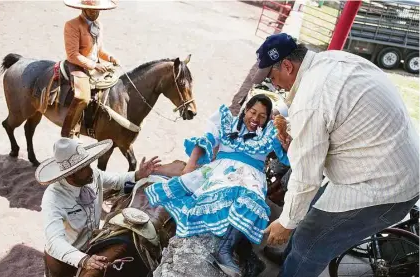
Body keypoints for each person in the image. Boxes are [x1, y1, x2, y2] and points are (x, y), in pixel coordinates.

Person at [256, 33, 419, 277]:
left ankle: (296, 262)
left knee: (310, 241)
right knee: (309, 207)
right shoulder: (330, 60)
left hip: (383, 187)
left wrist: (286, 223)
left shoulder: (311, 99)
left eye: (273, 77)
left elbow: (306, 177)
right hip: (385, 162)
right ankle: (290, 256)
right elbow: (331, 117)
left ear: (288, 66)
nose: (275, 85)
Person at [145, 94, 290, 277]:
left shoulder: (270, 132)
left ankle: (225, 248)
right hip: (221, 172)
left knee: (251, 200)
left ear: (267, 118)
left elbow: (285, 154)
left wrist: (286, 142)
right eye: (253, 112)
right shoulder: (226, 122)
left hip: (251, 178)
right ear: (246, 109)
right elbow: (205, 141)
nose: (256, 119)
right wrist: (189, 167)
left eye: (262, 116)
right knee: (223, 191)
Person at [37, 137, 160, 275]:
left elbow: (117, 180)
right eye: (84, 168)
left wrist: (138, 174)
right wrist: (83, 259)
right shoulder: (53, 198)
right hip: (64, 260)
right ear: (70, 175)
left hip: (91, 246)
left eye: (88, 164)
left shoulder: (92, 175)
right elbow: (55, 241)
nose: (91, 170)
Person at [61, 0, 119, 137]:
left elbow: (99, 50)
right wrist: (95, 65)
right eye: (92, 11)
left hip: (95, 65)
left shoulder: (98, 25)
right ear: (83, 10)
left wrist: (110, 57)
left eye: (97, 11)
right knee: (83, 98)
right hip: (77, 65)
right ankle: (68, 132)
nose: (95, 14)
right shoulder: (72, 25)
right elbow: (72, 54)